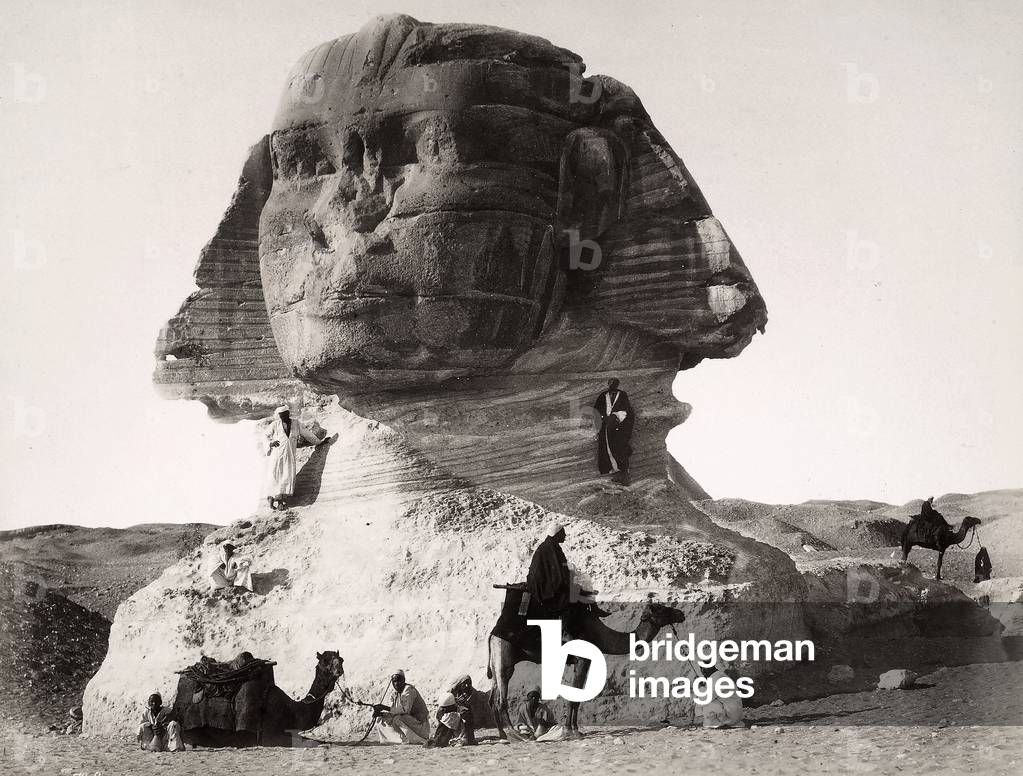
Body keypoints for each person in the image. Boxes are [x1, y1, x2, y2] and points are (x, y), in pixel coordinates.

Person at [262, 405, 328, 510]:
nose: (283, 417)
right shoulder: (275, 425)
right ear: (279, 416)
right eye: (281, 415)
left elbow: (307, 434)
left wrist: (319, 442)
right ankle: (271, 501)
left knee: (286, 477)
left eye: (284, 415)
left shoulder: (296, 423)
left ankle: (280, 501)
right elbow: (264, 435)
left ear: (288, 413)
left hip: (289, 456)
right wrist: (270, 443)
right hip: (277, 457)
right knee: (275, 477)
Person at [374, 669, 431, 744]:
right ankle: (398, 739)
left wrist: (384, 707)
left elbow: (404, 710)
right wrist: (380, 714)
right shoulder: (395, 694)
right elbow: (393, 711)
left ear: (404, 680)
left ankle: (416, 739)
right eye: (394, 681)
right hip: (409, 723)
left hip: (420, 726)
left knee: (397, 718)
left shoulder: (409, 690)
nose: (396, 684)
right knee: (380, 719)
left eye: (399, 680)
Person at [593, 377, 634, 479]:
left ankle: (623, 471)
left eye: (614, 384)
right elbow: (596, 411)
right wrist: (601, 420)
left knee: (619, 447)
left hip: (618, 427)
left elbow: (627, 410)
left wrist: (616, 416)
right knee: (606, 447)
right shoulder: (603, 396)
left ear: (617, 384)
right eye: (610, 384)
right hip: (606, 427)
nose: (612, 386)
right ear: (608, 384)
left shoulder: (623, 395)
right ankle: (610, 469)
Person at [527, 523, 571, 613]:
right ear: (556, 534)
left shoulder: (550, 545)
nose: (565, 535)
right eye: (563, 533)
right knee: (571, 595)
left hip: (540, 582)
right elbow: (558, 573)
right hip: (542, 586)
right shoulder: (551, 548)